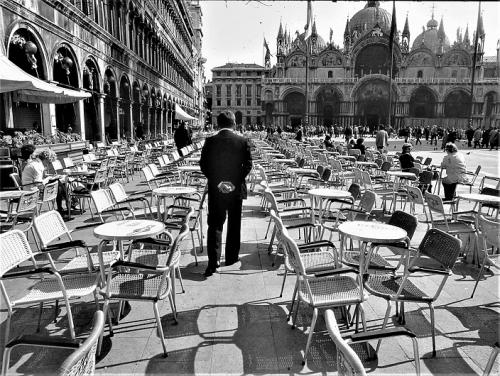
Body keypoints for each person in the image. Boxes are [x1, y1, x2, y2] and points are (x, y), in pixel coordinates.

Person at [199, 110, 253, 277]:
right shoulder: (242, 141)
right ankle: (231, 257)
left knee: (215, 224)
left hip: (217, 190)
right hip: (235, 190)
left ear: (218, 124)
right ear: (234, 124)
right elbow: (248, 165)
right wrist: (233, 183)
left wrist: (219, 183)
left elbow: (204, 165)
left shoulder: (210, 141)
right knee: (234, 224)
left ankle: (213, 261)